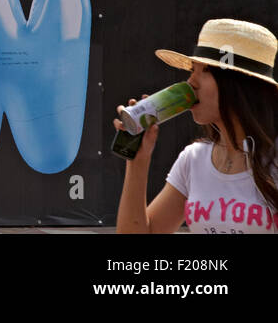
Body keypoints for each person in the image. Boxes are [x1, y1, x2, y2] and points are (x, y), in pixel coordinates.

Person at [116, 18, 278, 234]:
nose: (191, 82)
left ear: (239, 84)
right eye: (193, 69)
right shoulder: (193, 160)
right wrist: (138, 161)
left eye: (206, 71)